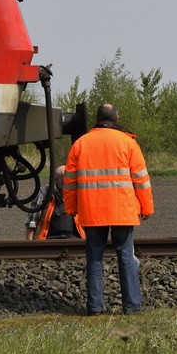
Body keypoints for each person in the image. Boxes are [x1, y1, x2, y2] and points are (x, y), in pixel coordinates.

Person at [63, 103, 154, 315]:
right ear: (117, 118)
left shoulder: (81, 144)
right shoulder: (128, 143)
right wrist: (147, 208)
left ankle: (95, 308)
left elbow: (69, 181)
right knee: (125, 257)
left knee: (94, 258)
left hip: (91, 210)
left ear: (97, 119)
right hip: (122, 210)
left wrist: (71, 208)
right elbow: (141, 180)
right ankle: (132, 307)